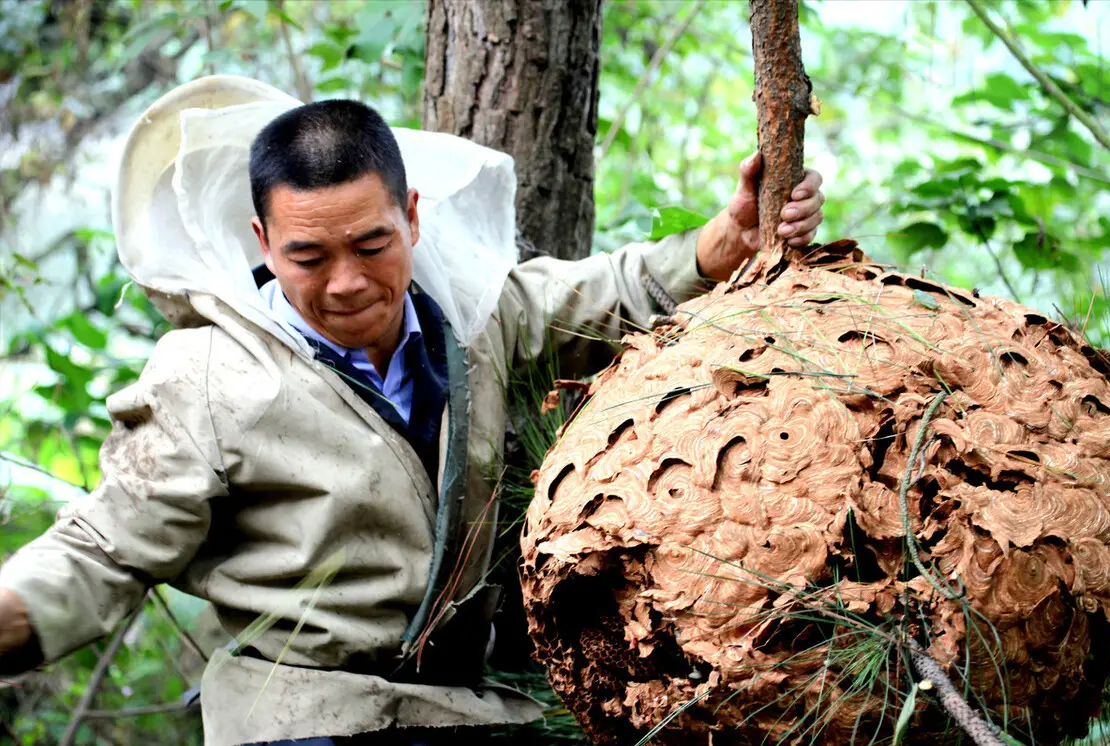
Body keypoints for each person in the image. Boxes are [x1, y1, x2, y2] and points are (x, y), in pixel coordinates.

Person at [0, 77, 825, 745]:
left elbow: (609, 294)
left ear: (412, 216)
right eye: (307, 258)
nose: (347, 282)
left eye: (371, 245)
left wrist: (727, 238)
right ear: (261, 242)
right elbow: (104, 548)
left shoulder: (473, 315)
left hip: (472, 709)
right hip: (297, 722)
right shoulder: (206, 375)